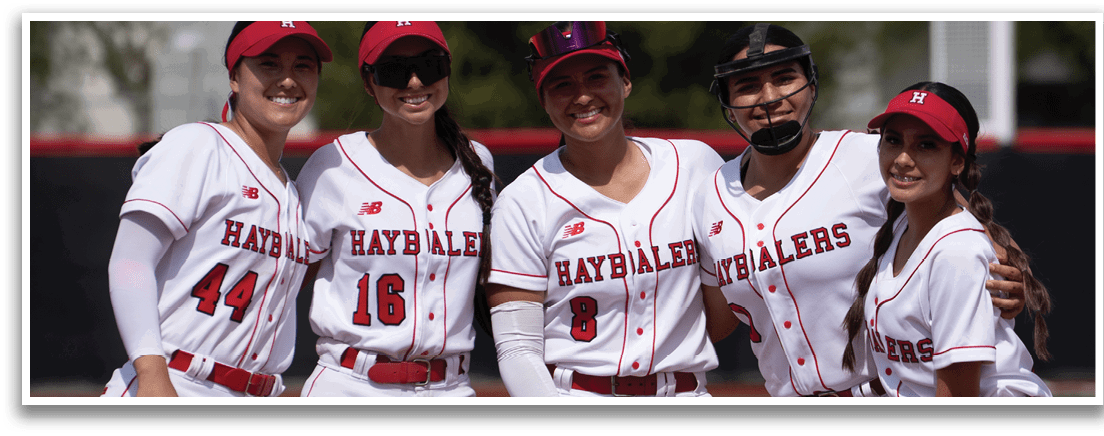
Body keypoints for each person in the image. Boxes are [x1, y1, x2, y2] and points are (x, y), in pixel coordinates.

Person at [691, 23, 1031, 397]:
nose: (769, 96)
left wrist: (1005, 278)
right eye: (747, 85)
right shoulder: (711, 195)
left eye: (784, 77)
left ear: (812, 84)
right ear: (726, 101)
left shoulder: (870, 158)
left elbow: (966, 229)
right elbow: (715, 321)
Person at [485, 21, 728, 397]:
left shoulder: (695, 165)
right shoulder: (523, 200)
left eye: (597, 77)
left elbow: (725, 306)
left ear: (625, 82)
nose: (582, 96)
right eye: (562, 85)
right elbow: (518, 348)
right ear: (544, 100)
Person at [102, 21, 332, 397]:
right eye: (269, 64)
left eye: (303, 66)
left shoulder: (292, 193)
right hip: (178, 378)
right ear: (235, 78)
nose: (288, 80)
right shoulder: (199, 144)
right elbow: (130, 262)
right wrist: (152, 374)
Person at [296, 21, 495, 397]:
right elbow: (282, 281)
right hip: (351, 382)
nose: (416, 82)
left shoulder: (477, 162)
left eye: (431, 64)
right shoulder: (334, 165)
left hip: (452, 386)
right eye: (394, 70)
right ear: (370, 83)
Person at [840, 82, 1052, 397]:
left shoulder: (956, 252)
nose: (902, 158)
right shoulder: (902, 228)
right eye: (893, 140)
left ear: (957, 161)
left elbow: (959, 397)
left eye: (926, 145)